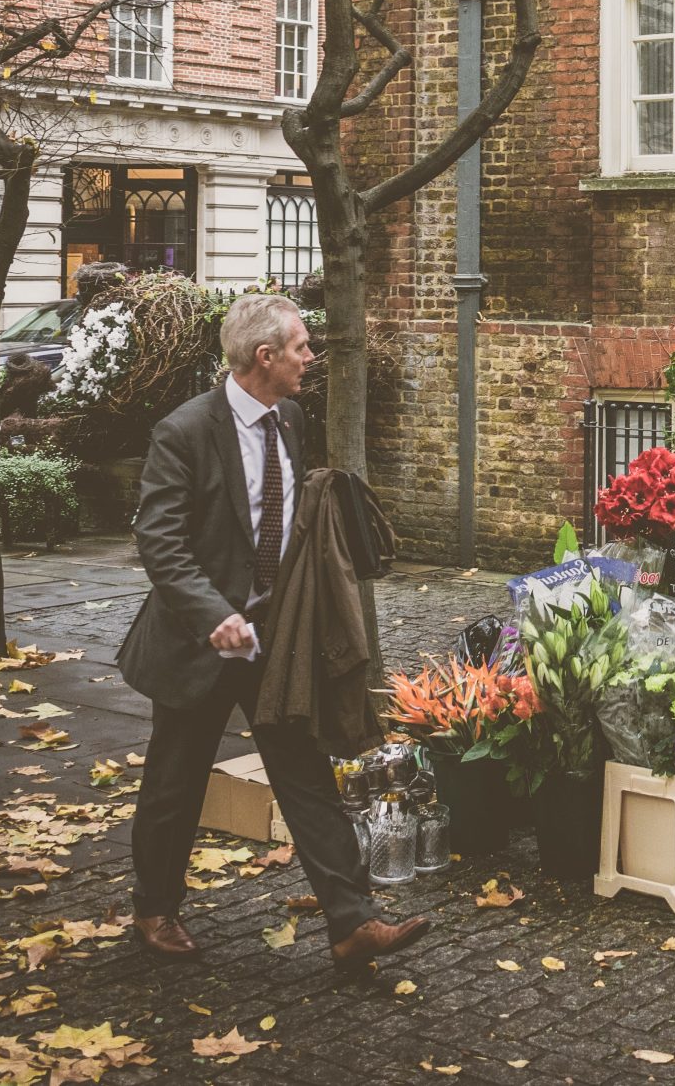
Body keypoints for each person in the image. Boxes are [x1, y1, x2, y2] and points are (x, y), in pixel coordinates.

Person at [114, 292, 427, 970]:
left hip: (270, 640)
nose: (310, 356)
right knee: (176, 779)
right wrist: (213, 614)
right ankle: (155, 907)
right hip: (199, 639)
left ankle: (352, 921)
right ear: (266, 356)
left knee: (305, 773)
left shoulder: (289, 418)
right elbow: (159, 540)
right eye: (301, 346)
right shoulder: (184, 430)